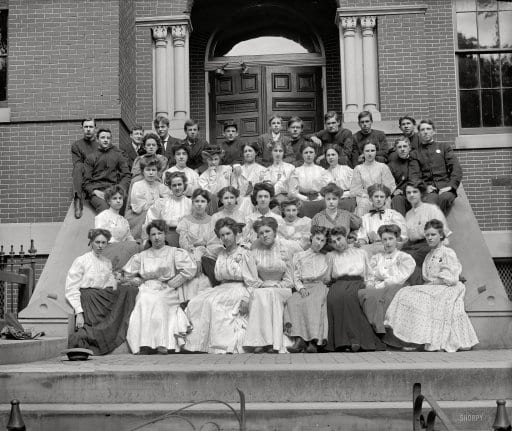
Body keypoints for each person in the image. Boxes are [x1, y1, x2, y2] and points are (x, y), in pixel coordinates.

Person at [384, 219, 479, 352]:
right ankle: (413, 339)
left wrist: (430, 285)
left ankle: (416, 340)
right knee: (406, 293)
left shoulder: (447, 252)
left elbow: (451, 277)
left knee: (408, 294)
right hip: (434, 287)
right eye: (427, 235)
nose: (429, 238)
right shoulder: (429, 255)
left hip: (447, 288)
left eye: (433, 235)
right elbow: (427, 277)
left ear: (441, 235)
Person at [123, 220, 197, 354]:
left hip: (166, 288)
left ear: (165, 234)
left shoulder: (174, 252)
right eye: (153, 234)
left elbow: (190, 269)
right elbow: (128, 274)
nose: (156, 237)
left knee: (158, 302)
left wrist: (173, 283)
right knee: (143, 301)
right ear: (149, 237)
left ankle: (162, 343)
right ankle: (143, 344)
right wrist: (138, 280)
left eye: (160, 233)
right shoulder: (142, 256)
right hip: (147, 287)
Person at [65, 228, 138, 355]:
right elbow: (71, 288)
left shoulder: (107, 262)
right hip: (89, 299)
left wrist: (121, 282)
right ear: (91, 242)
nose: (100, 246)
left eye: (103, 243)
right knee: (92, 328)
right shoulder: (81, 260)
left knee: (130, 291)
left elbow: (110, 285)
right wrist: (79, 312)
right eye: (97, 242)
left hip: (104, 296)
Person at [184, 218, 251, 353]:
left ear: (235, 234)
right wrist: (197, 260)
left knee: (212, 303)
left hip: (239, 288)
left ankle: (219, 345)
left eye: (228, 234)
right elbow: (201, 250)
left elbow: (251, 279)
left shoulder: (244, 253)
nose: (225, 238)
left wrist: (247, 298)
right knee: (196, 302)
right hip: (222, 287)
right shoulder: (220, 253)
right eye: (222, 235)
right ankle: (197, 345)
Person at [243, 217, 302, 353]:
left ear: (275, 232)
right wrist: (262, 285)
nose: (264, 235)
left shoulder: (284, 249)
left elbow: (290, 278)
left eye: (267, 231)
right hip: (262, 287)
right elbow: (251, 277)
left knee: (271, 294)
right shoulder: (255, 249)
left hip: (282, 288)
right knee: (259, 294)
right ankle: (260, 341)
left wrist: (278, 286)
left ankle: (273, 342)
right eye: (261, 233)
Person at [325, 226, 386, 352]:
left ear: (345, 237)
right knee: (335, 299)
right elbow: (327, 277)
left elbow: (369, 272)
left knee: (351, 298)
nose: (338, 243)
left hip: (358, 282)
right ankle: (342, 342)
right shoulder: (331, 255)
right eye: (334, 242)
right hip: (339, 283)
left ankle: (357, 340)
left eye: (339, 239)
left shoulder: (361, 252)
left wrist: (369, 284)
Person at [357, 224, 416, 335]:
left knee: (379, 297)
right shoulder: (377, 258)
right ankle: (370, 330)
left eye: (391, 239)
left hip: (396, 286)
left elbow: (400, 277)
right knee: (362, 293)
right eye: (384, 239)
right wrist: (370, 283)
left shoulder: (404, 258)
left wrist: (381, 285)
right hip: (378, 285)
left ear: (397, 239)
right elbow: (370, 274)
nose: (388, 242)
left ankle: (380, 328)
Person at [284, 226, 330, 353]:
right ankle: (299, 339)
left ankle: (313, 341)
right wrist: (301, 288)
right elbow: (296, 276)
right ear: (311, 238)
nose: (319, 243)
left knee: (313, 303)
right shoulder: (300, 256)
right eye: (317, 239)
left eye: (322, 241)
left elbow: (327, 276)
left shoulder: (325, 257)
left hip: (319, 287)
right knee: (292, 302)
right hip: (304, 286)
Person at [401, 180, 451, 284]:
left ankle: (422, 284)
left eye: (415, 192)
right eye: (408, 193)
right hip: (413, 246)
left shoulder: (431, 209)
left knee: (409, 257)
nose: (411, 195)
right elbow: (407, 237)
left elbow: (443, 233)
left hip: (429, 246)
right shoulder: (408, 215)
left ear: (421, 193)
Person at [176, 189, 220, 298]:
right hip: (189, 256)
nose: (199, 204)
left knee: (204, 281)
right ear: (192, 203)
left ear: (207, 203)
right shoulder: (185, 221)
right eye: (197, 201)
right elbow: (183, 243)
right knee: (191, 279)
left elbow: (214, 244)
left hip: (207, 256)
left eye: (202, 201)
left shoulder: (212, 221)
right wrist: (195, 255)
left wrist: (201, 254)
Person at [413, 119, 463, 214]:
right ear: (419, 133)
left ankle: (435, 225)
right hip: (428, 189)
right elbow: (414, 175)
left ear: (434, 131)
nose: (426, 132)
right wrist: (424, 187)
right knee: (430, 202)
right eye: (422, 130)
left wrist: (451, 186)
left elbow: (456, 168)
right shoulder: (415, 153)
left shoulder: (444, 147)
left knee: (445, 198)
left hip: (446, 187)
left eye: (428, 129)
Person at [83, 127, 131, 214]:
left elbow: (127, 175)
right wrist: (94, 191)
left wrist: (119, 189)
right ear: (97, 139)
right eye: (103, 138)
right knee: (105, 208)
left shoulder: (118, 156)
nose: (105, 140)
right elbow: (86, 181)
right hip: (98, 191)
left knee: (121, 205)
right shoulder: (90, 157)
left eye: (108, 138)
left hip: (114, 189)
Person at [94, 185, 140, 271]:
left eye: (120, 198)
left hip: (122, 251)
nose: (118, 201)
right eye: (115, 198)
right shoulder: (103, 216)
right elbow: (100, 236)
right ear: (109, 201)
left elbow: (129, 237)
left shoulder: (124, 221)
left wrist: (136, 245)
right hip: (107, 250)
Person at [355, 184, 407, 256]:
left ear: (385, 199)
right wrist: (361, 241)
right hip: (372, 247)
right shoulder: (366, 218)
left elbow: (403, 235)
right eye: (376, 196)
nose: (379, 199)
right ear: (370, 199)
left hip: (390, 246)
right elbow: (362, 236)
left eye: (382, 197)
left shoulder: (394, 215)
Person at [126, 156, 171, 240]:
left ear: (157, 172)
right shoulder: (137, 185)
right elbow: (137, 207)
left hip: (156, 213)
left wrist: (161, 203)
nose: (151, 173)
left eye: (153, 170)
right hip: (139, 216)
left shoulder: (159, 185)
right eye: (148, 170)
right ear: (143, 171)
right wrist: (156, 203)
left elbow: (169, 199)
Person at [143, 171, 192, 246]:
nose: (177, 188)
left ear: (184, 185)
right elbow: (150, 220)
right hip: (165, 238)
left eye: (179, 184)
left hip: (186, 238)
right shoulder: (162, 202)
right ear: (170, 187)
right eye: (174, 185)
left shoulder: (191, 203)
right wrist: (148, 238)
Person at [350, 142, 396, 216]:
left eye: (372, 150)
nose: (370, 153)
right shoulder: (358, 169)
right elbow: (355, 189)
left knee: (384, 201)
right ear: (363, 153)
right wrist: (367, 196)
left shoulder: (383, 167)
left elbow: (389, 186)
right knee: (363, 203)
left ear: (376, 152)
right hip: (365, 197)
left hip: (382, 195)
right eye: (367, 151)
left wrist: (379, 194)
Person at [294, 143, 333, 217]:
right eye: (306, 152)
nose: (308, 155)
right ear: (302, 155)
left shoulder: (322, 170)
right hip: (302, 200)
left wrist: (321, 196)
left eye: (311, 152)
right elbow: (293, 190)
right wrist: (303, 198)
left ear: (315, 154)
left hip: (319, 199)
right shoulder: (296, 171)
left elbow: (329, 187)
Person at [71, 118, 98, 218]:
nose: (88, 129)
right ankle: (78, 200)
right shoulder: (76, 145)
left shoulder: (101, 144)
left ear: (95, 128)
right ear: (82, 128)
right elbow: (77, 163)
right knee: (78, 167)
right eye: (86, 127)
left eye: (91, 127)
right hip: (85, 173)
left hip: (99, 174)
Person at [388, 137, 421, 216]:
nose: (402, 149)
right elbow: (389, 181)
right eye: (399, 147)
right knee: (397, 199)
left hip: (415, 191)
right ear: (396, 149)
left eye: (405, 146)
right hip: (401, 195)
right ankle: (401, 226)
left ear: (409, 148)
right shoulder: (391, 165)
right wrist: (394, 190)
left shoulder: (416, 161)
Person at [234, 142, 267, 215]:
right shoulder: (238, 170)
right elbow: (234, 188)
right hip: (240, 201)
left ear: (256, 153)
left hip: (256, 202)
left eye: (250, 151)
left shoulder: (263, 170)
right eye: (245, 151)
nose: (247, 153)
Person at [324, 145, 356, 212]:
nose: (331, 157)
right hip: (332, 199)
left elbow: (355, 187)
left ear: (338, 156)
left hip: (347, 197)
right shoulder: (324, 173)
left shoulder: (346, 169)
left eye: (333, 155)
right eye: (328, 155)